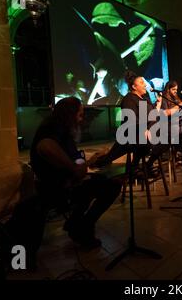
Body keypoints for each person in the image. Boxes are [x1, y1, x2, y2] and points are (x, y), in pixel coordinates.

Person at [29, 97, 121, 249]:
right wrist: (74, 168)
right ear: (70, 114)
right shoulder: (54, 127)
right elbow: (45, 146)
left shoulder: (59, 127)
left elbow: (72, 158)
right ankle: (82, 226)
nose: (81, 118)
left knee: (103, 181)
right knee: (112, 186)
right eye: (80, 114)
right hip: (57, 186)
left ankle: (76, 224)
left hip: (67, 180)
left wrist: (89, 162)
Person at [93, 71, 169, 175]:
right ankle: (134, 169)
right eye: (142, 83)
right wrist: (145, 129)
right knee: (151, 141)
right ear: (134, 86)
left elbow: (149, 117)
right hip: (131, 136)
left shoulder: (144, 99)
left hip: (144, 134)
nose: (145, 85)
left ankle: (145, 166)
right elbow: (132, 121)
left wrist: (158, 106)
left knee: (167, 138)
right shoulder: (129, 99)